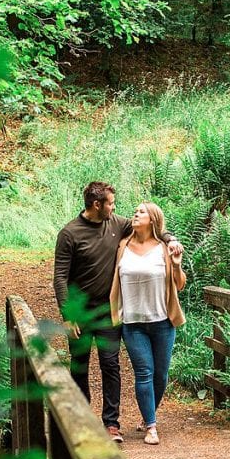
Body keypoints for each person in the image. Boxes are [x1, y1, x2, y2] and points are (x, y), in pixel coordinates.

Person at [53, 182, 182, 443]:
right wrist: (67, 316)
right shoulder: (69, 233)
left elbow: (154, 228)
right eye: (110, 203)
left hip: (107, 311)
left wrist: (170, 239)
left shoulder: (116, 224)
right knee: (79, 366)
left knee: (110, 365)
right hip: (79, 313)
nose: (115, 208)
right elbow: (59, 278)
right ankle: (82, 422)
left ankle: (111, 423)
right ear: (97, 205)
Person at [109, 202, 186, 446]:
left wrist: (176, 265)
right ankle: (151, 427)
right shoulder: (122, 246)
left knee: (160, 375)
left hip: (163, 321)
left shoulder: (164, 248)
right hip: (133, 323)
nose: (135, 213)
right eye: (136, 211)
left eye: (141, 212)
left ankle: (147, 415)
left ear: (152, 219)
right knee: (144, 372)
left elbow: (180, 284)